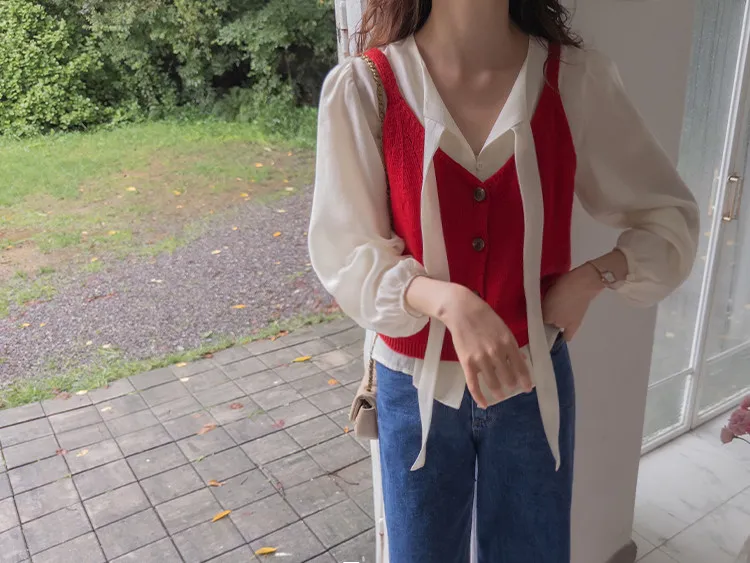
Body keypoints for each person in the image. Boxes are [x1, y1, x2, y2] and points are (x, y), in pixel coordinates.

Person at [308, 0, 700, 561]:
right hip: (414, 389)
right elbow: (345, 251)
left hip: (534, 383)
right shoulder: (366, 87)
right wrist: (448, 301)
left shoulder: (574, 81)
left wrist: (594, 277)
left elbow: (668, 218)